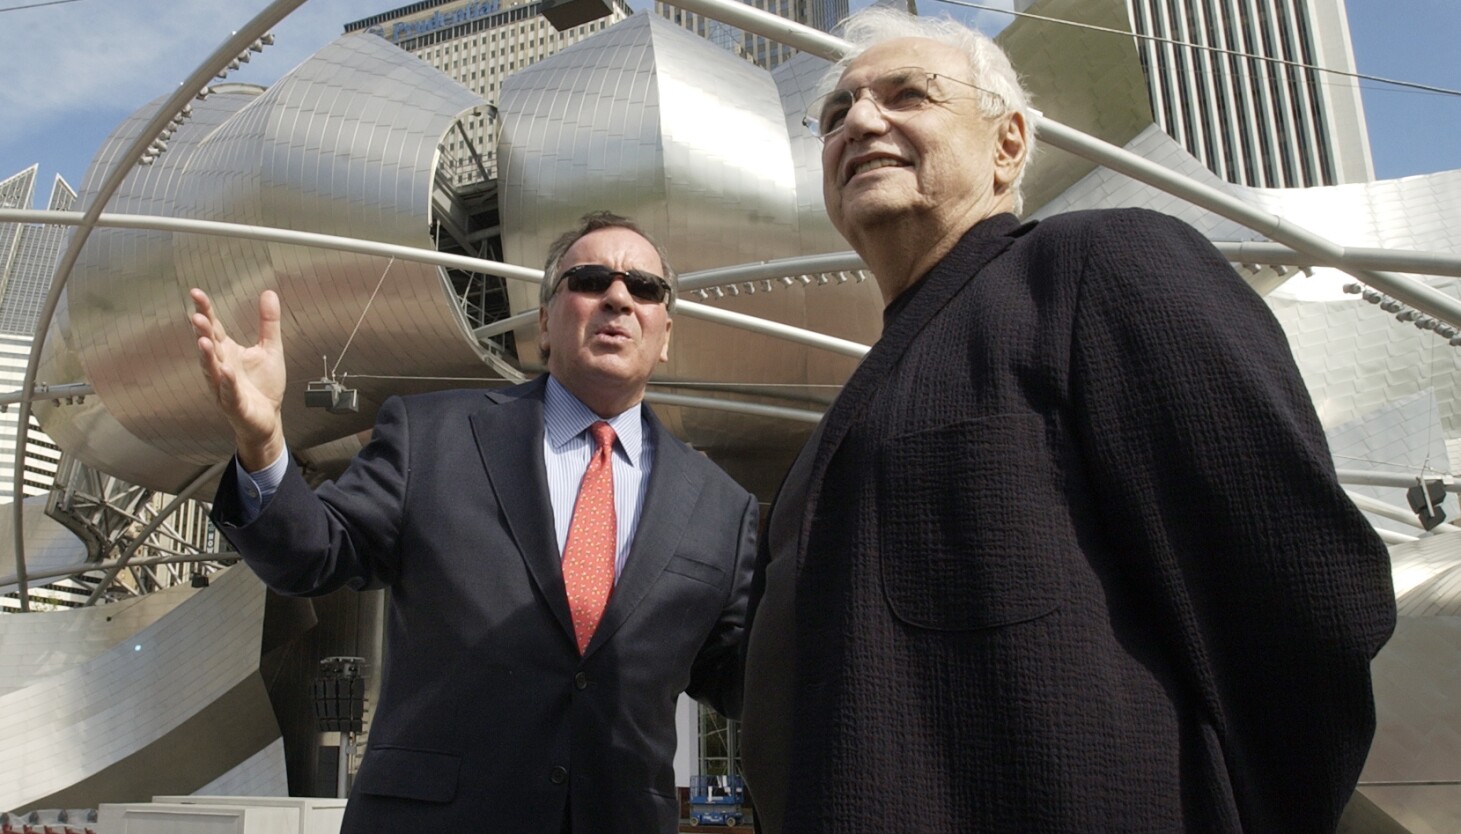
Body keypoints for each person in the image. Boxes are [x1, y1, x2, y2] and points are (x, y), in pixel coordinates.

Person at [739, 9, 1396, 833]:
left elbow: (1299, 589)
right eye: (837, 113)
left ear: (1007, 143)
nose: (862, 122)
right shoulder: (853, 410)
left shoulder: (1098, 265)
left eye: (908, 95)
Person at [190, 211, 757, 834]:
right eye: (591, 280)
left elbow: (747, 681)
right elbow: (313, 555)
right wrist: (263, 443)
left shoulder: (722, 507)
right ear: (545, 322)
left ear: (665, 333)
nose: (618, 298)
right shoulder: (432, 436)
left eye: (644, 288)